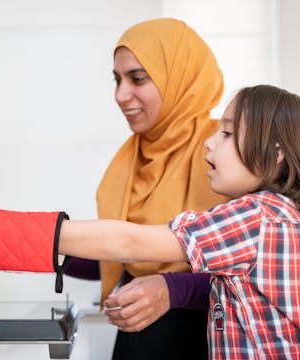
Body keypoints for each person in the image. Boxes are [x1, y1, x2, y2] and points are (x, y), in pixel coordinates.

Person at [0, 84, 300, 359]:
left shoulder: (257, 216)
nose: (210, 142)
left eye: (226, 133)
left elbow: (133, 244)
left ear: (275, 154)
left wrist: (18, 232)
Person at [64, 18, 230, 359]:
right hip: (137, 339)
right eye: (117, 80)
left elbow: (248, 268)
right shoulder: (131, 158)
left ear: (179, 77)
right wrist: (47, 249)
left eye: (137, 78)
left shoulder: (225, 151)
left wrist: (174, 288)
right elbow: (125, 256)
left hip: (203, 338)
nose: (121, 95)